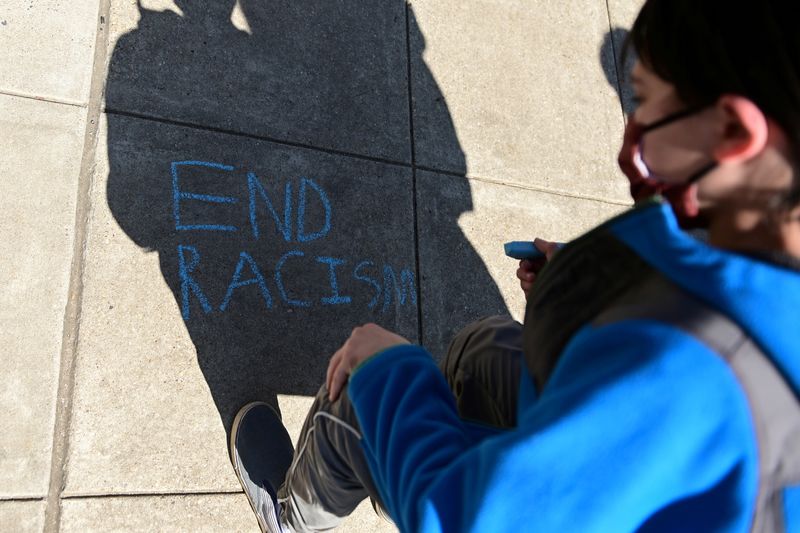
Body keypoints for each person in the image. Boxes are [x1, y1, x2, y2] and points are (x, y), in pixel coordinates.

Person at [228, 0, 800, 531]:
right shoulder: (762, 242)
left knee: (361, 392)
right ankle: (443, 436)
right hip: (612, 455)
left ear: (733, 133)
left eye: (645, 100)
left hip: (531, 501)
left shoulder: (692, 377)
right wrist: (587, 297)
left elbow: (473, 519)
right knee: (484, 350)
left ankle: (290, 511)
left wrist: (389, 371)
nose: (632, 126)